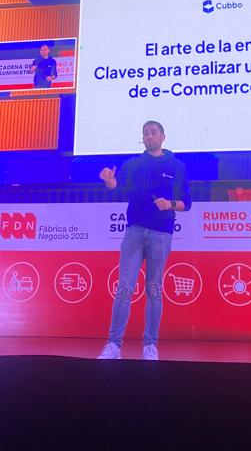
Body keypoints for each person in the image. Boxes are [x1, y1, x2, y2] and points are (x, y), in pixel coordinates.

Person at [97, 120, 191, 361]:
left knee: (154, 290)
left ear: (163, 137)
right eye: (145, 133)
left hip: (161, 234)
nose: (149, 136)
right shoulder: (133, 165)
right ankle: (114, 345)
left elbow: (187, 203)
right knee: (124, 288)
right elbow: (117, 186)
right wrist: (110, 181)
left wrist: (170, 204)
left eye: (153, 132)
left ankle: (150, 346)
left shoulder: (176, 166)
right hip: (134, 233)